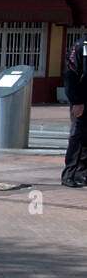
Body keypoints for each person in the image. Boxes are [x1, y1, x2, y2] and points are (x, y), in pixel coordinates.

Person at [62, 37, 87, 188]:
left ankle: (82, 172)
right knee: (77, 136)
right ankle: (69, 174)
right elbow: (71, 75)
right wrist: (76, 101)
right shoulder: (81, 46)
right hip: (81, 100)